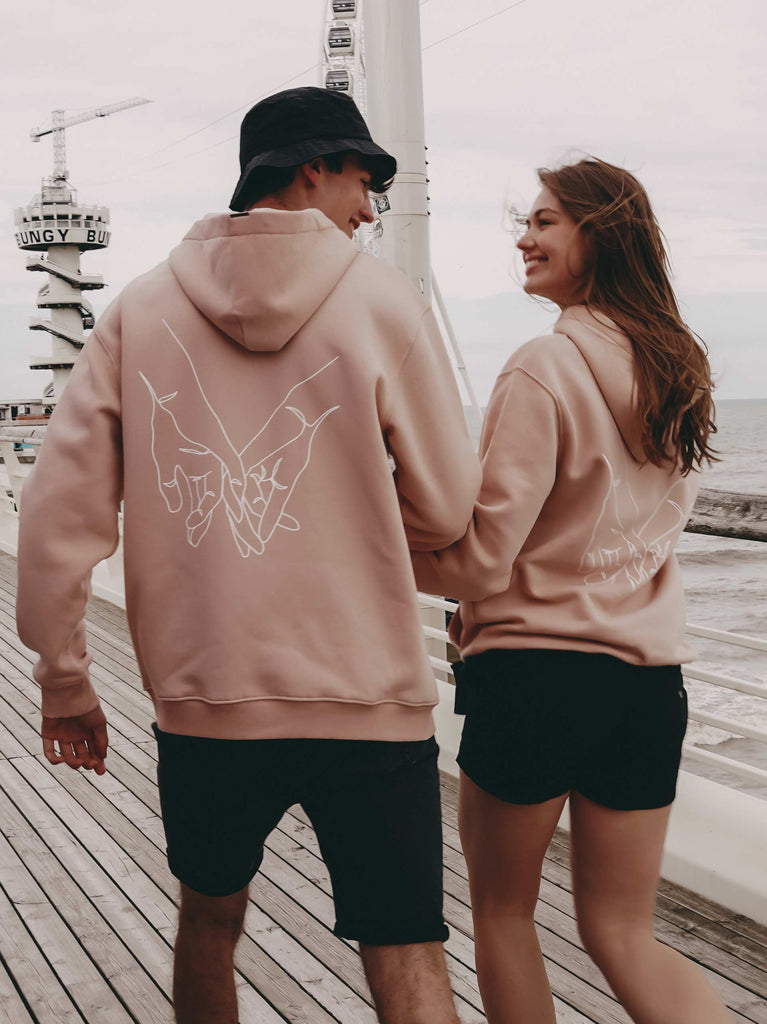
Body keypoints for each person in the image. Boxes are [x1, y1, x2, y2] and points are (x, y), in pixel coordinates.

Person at [16, 86, 481, 1024]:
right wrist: (353, 512)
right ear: (312, 168)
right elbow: (443, 506)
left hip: (208, 701)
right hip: (368, 699)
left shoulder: (137, 310)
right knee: (405, 948)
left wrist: (64, 679)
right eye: (363, 181)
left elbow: (59, 512)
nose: (369, 208)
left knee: (209, 923)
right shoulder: (383, 302)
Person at [414, 158, 732, 1023]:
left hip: (534, 675)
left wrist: (376, 554)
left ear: (602, 232)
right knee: (623, 931)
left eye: (545, 221)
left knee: (502, 914)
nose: (524, 238)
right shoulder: (677, 369)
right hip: (646, 685)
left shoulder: (542, 367)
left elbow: (482, 562)